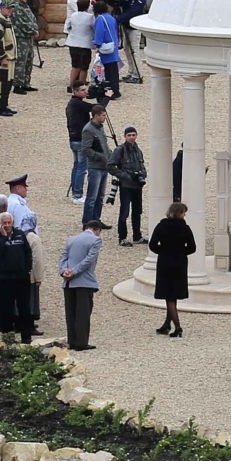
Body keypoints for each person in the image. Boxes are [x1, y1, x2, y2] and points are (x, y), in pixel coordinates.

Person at [148, 201, 196, 337]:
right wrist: (180, 252)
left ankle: (177, 326)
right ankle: (169, 325)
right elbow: (192, 248)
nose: (185, 215)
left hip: (165, 262)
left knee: (169, 295)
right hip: (179, 263)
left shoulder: (161, 226)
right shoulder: (185, 228)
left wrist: (164, 251)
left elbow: (152, 245)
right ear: (179, 213)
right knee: (172, 295)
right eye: (184, 213)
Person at [0, 210, 35, 339]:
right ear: (0, 224)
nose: (7, 225)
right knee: (5, 309)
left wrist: (27, 268)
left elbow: (28, 252)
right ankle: (7, 338)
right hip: (5, 278)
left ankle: (26, 337)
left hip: (21, 277)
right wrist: (3, 237)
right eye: (4, 223)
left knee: (24, 308)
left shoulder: (20, 234)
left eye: (9, 222)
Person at [59, 218, 105, 351]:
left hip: (68, 282)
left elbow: (63, 257)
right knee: (83, 313)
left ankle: (72, 340)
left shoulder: (71, 239)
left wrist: (64, 271)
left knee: (70, 312)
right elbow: (89, 259)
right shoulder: (96, 240)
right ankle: (81, 342)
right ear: (97, 230)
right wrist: (74, 271)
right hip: (84, 281)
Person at [110, 125, 147, 246]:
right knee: (124, 212)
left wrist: (143, 174)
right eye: (129, 135)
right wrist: (124, 176)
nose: (131, 137)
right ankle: (122, 237)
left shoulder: (138, 150)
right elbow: (110, 166)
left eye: (133, 135)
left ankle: (137, 236)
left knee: (137, 211)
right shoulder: (119, 150)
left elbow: (142, 165)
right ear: (125, 136)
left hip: (137, 186)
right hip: (126, 186)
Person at [78, 105, 113, 226]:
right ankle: (87, 222)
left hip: (104, 166)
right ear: (96, 115)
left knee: (100, 196)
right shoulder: (88, 129)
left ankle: (96, 220)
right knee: (92, 196)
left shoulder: (100, 128)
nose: (105, 118)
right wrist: (101, 157)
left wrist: (111, 156)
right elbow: (85, 149)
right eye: (103, 115)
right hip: (95, 167)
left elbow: (104, 145)